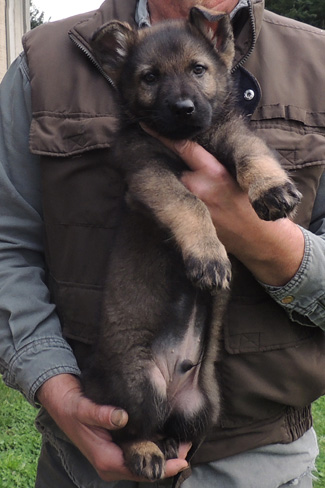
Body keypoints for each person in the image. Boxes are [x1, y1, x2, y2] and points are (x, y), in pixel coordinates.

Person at [0, 0, 324, 486]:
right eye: (152, 78)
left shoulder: (317, 63)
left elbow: (243, 147)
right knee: (139, 392)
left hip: (263, 463)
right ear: (121, 73)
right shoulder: (42, 64)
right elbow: (7, 246)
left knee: (196, 404)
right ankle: (141, 437)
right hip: (86, 459)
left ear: (220, 52)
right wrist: (53, 387)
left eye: (197, 71)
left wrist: (266, 238)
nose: (182, 96)